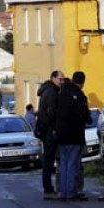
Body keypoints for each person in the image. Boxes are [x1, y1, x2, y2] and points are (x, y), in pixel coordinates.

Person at [55, 72, 91, 201]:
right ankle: (71, 191)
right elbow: (85, 116)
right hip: (75, 134)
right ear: (82, 82)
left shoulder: (61, 94)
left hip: (61, 134)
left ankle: (62, 191)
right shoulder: (80, 96)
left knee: (63, 164)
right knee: (72, 164)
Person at [35, 70, 64, 200]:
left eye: (63, 79)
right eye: (60, 79)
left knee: (49, 160)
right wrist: (53, 128)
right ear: (53, 78)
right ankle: (48, 189)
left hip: (46, 130)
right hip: (50, 131)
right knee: (49, 161)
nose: (62, 82)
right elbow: (51, 113)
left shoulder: (47, 90)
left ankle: (49, 187)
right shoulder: (52, 92)